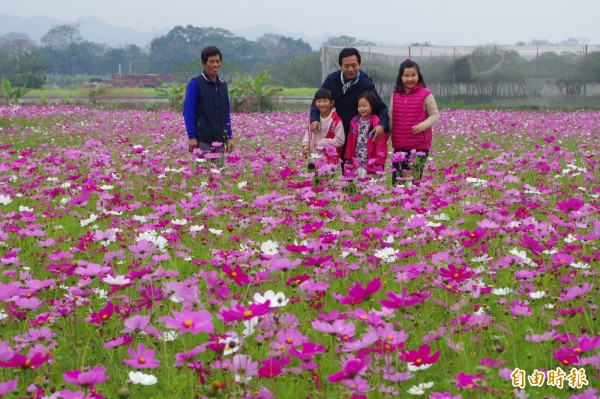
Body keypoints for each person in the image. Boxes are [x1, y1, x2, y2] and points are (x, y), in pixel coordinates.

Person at [310, 47, 389, 162]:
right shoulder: (332, 80)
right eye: (346, 66)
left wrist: (382, 125)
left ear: (359, 65)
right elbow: (317, 101)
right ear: (340, 66)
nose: (351, 69)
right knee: (323, 167)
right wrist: (314, 119)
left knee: (350, 170)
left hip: (354, 134)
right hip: (333, 131)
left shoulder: (366, 84)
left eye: (354, 65)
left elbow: (381, 108)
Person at [389, 59, 439, 184]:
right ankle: (400, 203)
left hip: (419, 146)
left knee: (415, 180)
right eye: (406, 75)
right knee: (397, 181)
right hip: (399, 146)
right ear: (400, 77)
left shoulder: (426, 94)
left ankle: (416, 202)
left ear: (418, 76)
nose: (410, 79)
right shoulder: (395, 95)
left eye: (413, 75)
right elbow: (391, 117)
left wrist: (422, 126)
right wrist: (384, 138)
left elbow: (434, 115)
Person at [183, 46, 234, 155]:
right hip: (203, 140)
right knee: (203, 171)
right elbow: (188, 112)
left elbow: (226, 113)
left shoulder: (223, 85)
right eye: (211, 61)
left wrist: (229, 136)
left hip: (221, 140)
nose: (215, 65)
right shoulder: (195, 84)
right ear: (203, 63)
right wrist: (192, 137)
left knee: (219, 171)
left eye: (217, 61)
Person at [343, 91, 388, 179]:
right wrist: (348, 159)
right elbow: (350, 142)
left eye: (364, 106)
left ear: (372, 105)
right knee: (357, 187)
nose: (361, 109)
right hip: (356, 162)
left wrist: (379, 164)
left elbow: (381, 146)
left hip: (371, 165)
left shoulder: (376, 122)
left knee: (369, 190)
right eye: (359, 106)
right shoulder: (354, 121)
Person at [302, 88, 345, 168]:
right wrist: (305, 145)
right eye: (319, 101)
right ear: (315, 103)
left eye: (325, 101)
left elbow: (340, 141)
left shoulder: (336, 121)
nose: (322, 104)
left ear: (332, 103)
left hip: (328, 160)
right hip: (313, 157)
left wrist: (322, 143)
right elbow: (308, 134)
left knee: (326, 180)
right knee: (312, 179)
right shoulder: (314, 120)